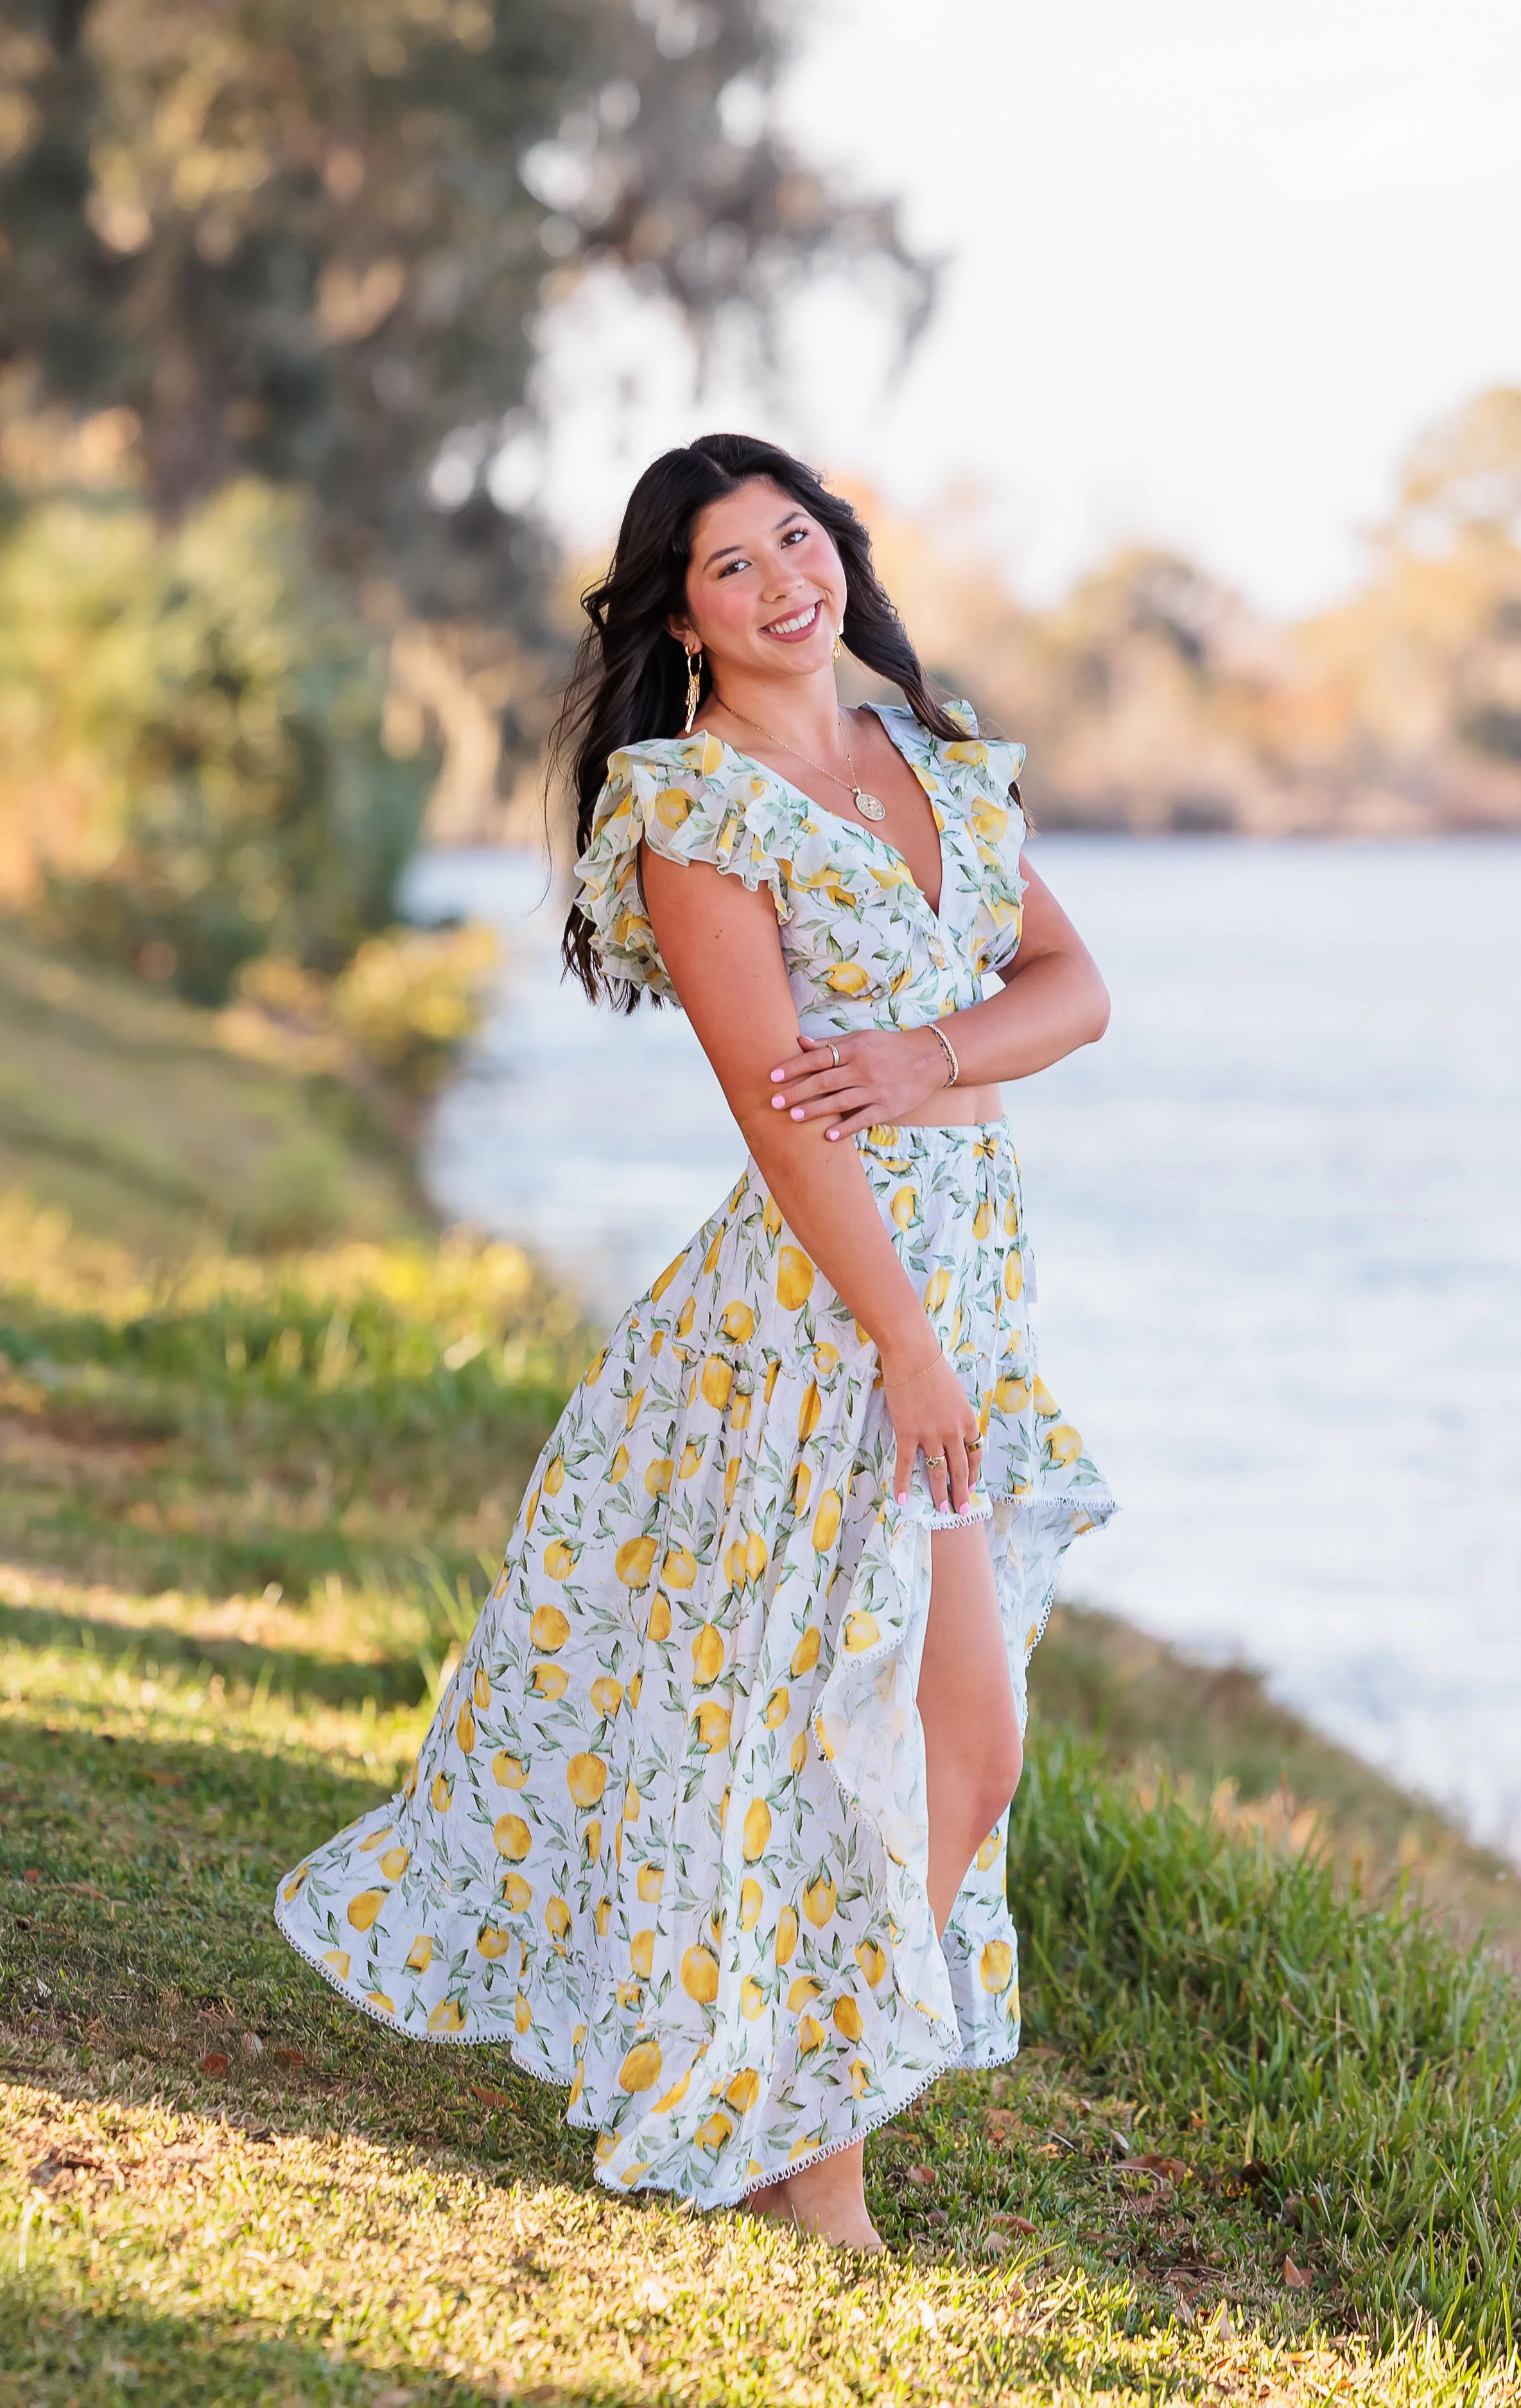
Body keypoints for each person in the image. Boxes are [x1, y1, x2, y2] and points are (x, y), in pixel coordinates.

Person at [276, 432, 1115, 2250]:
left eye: (796, 540)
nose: (780, 580)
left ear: (842, 556)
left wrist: (928, 1056)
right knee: (887, 1733)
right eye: (731, 565)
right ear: (683, 614)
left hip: (963, 1284)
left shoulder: (936, 753)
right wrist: (901, 1341)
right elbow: (781, 1114)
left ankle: (788, 2116)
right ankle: (820, 2175)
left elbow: (1076, 991)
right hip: (823, 1318)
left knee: (952, 1739)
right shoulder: (689, 809)